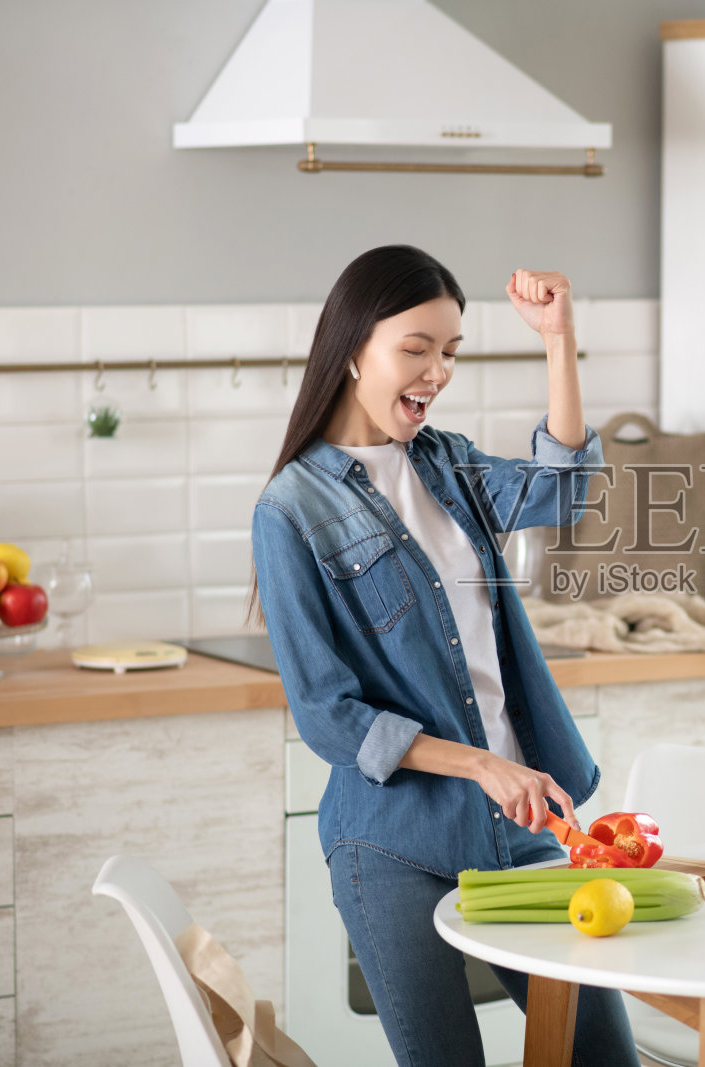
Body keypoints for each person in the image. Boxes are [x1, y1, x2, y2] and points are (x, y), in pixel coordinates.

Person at [248, 245, 636, 1067]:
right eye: (415, 349)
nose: (436, 372)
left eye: (451, 351)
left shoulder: (448, 463)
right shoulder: (291, 508)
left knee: (601, 1054)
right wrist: (483, 765)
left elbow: (562, 487)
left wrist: (558, 338)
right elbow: (329, 716)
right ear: (354, 349)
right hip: (392, 843)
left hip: (520, 826)